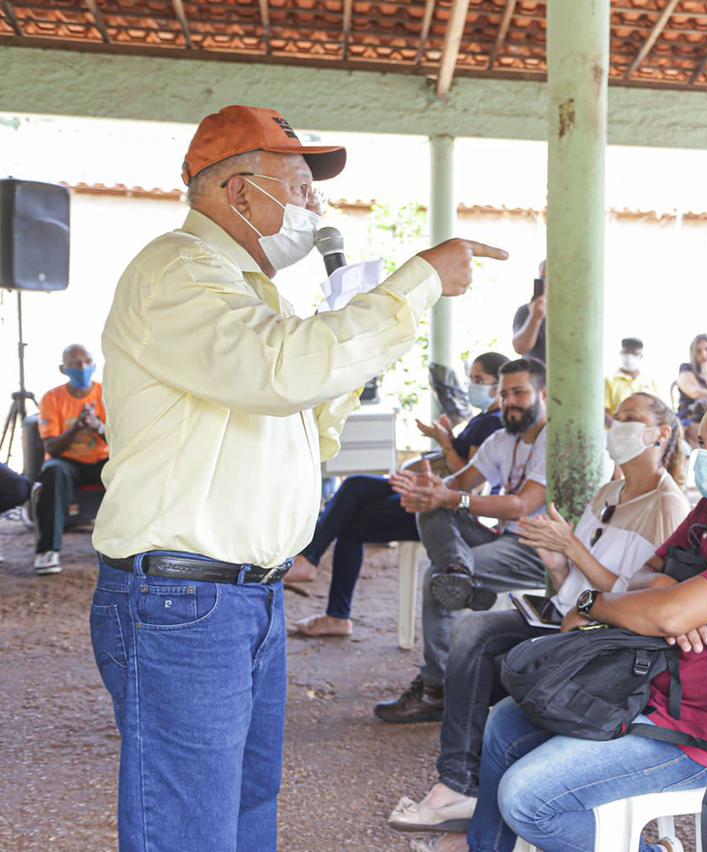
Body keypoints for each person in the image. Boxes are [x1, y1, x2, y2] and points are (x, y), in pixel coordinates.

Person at [88, 104, 501, 851]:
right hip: (184, 600)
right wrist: (415, 287)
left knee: (246, 810)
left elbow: (299, 430)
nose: (317, 208)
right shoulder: (180, 271)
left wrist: (347, 355)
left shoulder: (251, 295)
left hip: (243, 598)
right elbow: (279, 371)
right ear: (239, 192)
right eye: (302, 187)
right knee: (189, 828)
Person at [464, 391, 707, 852]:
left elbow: (666, 613)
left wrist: (598, 602)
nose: (705, 454)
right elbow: (646, 578)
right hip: (639, 687)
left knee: (527, 798)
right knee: (507, 721)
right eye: (703, 441)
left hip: (695, 738)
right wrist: (669, 601)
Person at [385, 392, 690, 838]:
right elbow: (576, 577)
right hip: (569, 614)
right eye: (617, 417)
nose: (618, 425)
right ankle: (460, 784)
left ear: (661, 433)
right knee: (473, 635)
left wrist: (573, 549)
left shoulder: (667, 505)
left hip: (603, 635)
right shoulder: (611, 490)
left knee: (487, 651)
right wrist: (556, 558)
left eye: (631, 418)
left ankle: (466, 789)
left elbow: (635, 598)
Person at [375, 358, 552, 724]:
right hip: (504, 539)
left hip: (539, 550)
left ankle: (436, 687)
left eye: (519, 392)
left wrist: (452, 497)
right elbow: (459, 484)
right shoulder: (502, 439)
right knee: (432, 509)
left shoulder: (558, 440)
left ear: (543, 394)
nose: (509, 402)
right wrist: (432, 489)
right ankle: (458, 572)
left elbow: (522, 506)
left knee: (435, 579)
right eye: (503, 394)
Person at [287, 352, 510, 636]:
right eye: (472, 379)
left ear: (498, 385)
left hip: (446, 511)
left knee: (352, 521)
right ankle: (313, 567)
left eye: (480, 380)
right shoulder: (486, 418)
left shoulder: (492, 423)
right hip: (436, 491)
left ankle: (327, 595)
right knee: (356, 487)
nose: (472, 386)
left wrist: (446, 444)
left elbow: (470, 481)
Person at [33, 343, 108, 575]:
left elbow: (122, 439)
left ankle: (128, 549)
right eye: (76, 363)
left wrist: (97, 427)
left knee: (128, 470)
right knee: (53, 472)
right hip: (67, 462)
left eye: (87, 361)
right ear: (63, 369)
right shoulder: (52, 399)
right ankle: (48, 551)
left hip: (101, 460)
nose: (83, 367)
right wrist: (76, 428)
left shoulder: (106, 393)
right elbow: (52, 448)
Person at [603, 337, 660, 423]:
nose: (629, 358)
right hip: (618, 431)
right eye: (626, 353)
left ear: (640, 356)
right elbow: (603, 412)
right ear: (620, 353)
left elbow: (658, 410)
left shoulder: (650, 381)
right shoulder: (609, 381)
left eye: (634, 354)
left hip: (645, 432)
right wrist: (618, 428)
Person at [511, 259, 547, 364]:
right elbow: (520, 347)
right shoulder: (526, 311)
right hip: (538, 378)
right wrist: (535, 317)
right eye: (543, 279)